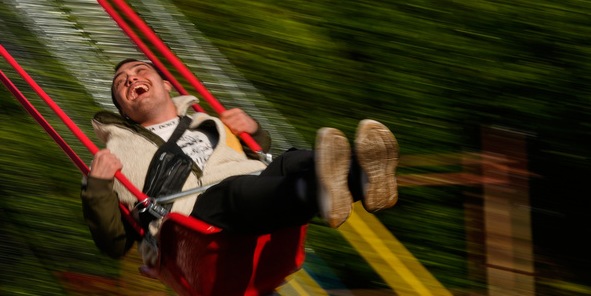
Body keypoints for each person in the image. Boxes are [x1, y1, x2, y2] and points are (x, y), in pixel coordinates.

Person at [81, 59, 398, 266]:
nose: (130, 78)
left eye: (140, 70)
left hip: (246, 183)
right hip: (191, 222)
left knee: (289, 161)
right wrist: (97, 187)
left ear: (165, 85)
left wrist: (254, 133)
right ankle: (330, 188)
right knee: (237, 192)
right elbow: (114, 244)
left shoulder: (205, 121)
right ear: (124, 113)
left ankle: (364, 177)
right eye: (121, 81)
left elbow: (248, 157)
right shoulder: (112, 159)